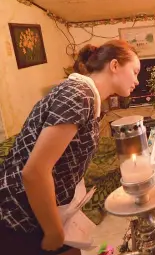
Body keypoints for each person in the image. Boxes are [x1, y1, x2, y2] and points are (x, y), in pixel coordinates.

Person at [0, 40, 140, 255]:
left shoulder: (88, 97)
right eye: (134, 71)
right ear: (114, 65)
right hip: (19, 217)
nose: (137, 81)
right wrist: (53, 231)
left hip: (50, 210)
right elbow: (34, 172)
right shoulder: (78, 94)